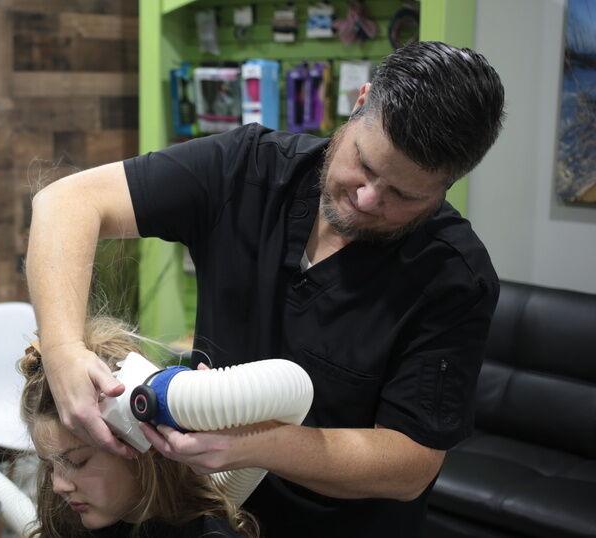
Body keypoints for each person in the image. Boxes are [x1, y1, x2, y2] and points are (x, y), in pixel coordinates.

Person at [25, 41, 506, 537]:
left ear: (446, 185)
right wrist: (62, 352)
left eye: (403, 194)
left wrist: (258, 446)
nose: (367, 199)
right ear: (360, 102)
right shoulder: (246, 169)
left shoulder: (452, 277)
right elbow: (66, 203)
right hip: (217, 518)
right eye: (365, 164)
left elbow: (409, 463)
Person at [18, 315, 258, 537]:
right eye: (49, 466)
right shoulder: (67, 528)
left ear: (143, 442)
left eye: (77, 461)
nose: (58, 486)